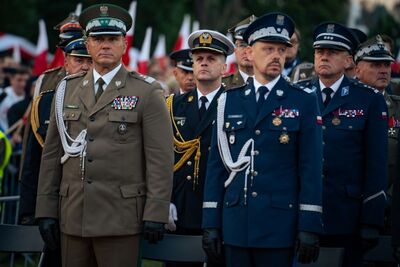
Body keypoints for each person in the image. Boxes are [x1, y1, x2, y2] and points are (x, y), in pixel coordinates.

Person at [35, 4, 173, 267]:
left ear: (124, 45)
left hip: (120, 219)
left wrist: (156, 209)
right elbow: (52, 155)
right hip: (73, 215)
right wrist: (45, 209)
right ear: (87, 44)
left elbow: (160, 159)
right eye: (99, 39)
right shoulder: (67, 90)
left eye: (113, 39)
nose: (105, 45)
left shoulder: (147, 91)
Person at [202, 12, 323, 267]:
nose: (276, 56)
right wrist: (210, 222)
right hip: (235, 223)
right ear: (249, 52)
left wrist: (309, 223)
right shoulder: (228, 100)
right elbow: (216, 167)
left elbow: (311, 167)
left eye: (281, 49)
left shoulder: (302, 101)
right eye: (268, 49)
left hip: (279, 226)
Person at [298, 22, 388, 267]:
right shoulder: (297, 94)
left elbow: (377, 164)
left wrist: (371, 219)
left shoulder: (368, 99)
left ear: (349, 60)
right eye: (320, 51)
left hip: (346, 214)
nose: (324, 56)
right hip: (300, 213)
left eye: (332, 52)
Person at [165, 29, 234, 267]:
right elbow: (162, 158)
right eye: (199, 59)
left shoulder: (234, 104)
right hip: (179, 208)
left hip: (217, 210)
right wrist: (164, 200)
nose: (204, 63)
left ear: (224, 68)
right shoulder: (173, 106)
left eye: (211, 58)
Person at [354, 35, 400, 233]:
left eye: (386, 65)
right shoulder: (338, 106)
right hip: (346, 208)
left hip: (389, 213)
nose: (383, 70)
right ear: (357, 69)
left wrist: (389, 197)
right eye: (375, 65)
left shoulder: (398, 107)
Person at [223, 15, 256, 89]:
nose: (247, 51)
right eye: (242, 45)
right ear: (235, 50)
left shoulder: (273, 84)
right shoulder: (221, 87)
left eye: (252, 45)